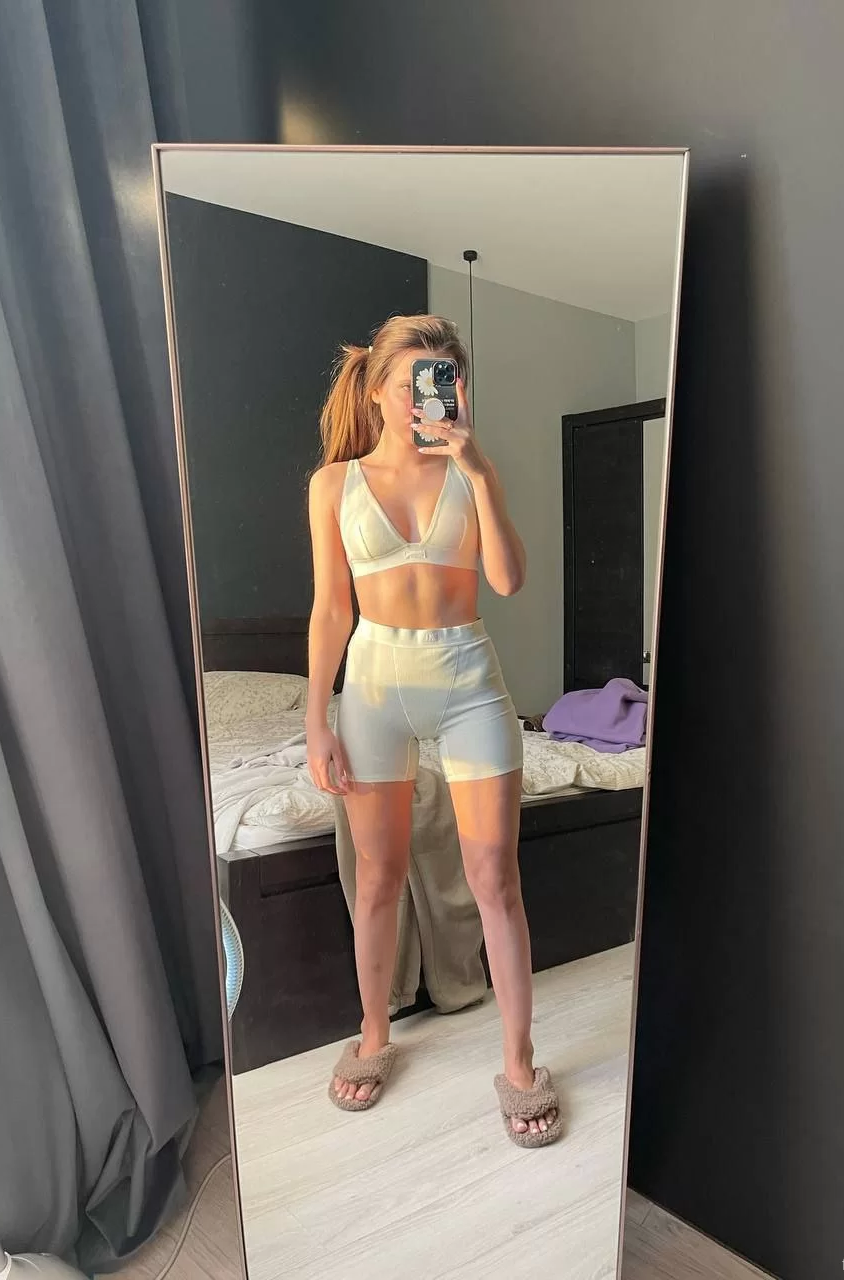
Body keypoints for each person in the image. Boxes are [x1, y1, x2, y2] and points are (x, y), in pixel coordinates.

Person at [304, 314, 562, 1148]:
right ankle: (374, 1033)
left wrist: (477, 470)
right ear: (380, 390)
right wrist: (316, 718)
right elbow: (331, 609)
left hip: (467, 681)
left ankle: (519, 1063)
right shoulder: (333, 485)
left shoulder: (469, 471)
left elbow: (508, 581)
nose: (432, 395)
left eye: (447, 378)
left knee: (495, 878)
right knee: (377, 876)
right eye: (416, 379)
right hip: (373, 687)